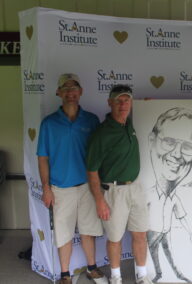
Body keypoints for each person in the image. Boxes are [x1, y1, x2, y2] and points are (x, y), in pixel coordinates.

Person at [37, 73, 107, 284]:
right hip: (60, 188)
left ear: (81, 92)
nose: (70, 92)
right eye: (65, 88)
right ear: (59, 92)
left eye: (74, 87)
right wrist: (46, 188)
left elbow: (99, 155)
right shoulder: (49, 123)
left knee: (88, 231)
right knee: (63, 233)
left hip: (87, 186)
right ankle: (65, 275)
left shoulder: (92, 120)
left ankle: (92, 268)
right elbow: (42, 158)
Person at [86, 85, 152, 284]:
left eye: (126, 100)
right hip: (113, 191)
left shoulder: (129, 124)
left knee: (140, 234)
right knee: (114, 239)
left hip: (136, 188)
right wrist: (99, 200)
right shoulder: (101, 133)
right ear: (109, 102)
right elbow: (92, 171)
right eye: (118, 100)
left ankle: (142, 275)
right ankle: (116, 277)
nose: (123, 104)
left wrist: (151, 104)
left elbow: (147, 109)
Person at [147, 107, 192, 282]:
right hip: (151, 233)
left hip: (165, 231)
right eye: (169, 141)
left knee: (168, 252)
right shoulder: (146, 195)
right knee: (152, 254)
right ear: (152, 141)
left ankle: (176, 274)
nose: (177, 154)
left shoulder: (174, 198)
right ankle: (157, 274)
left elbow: (182, 217)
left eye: (187, 146)